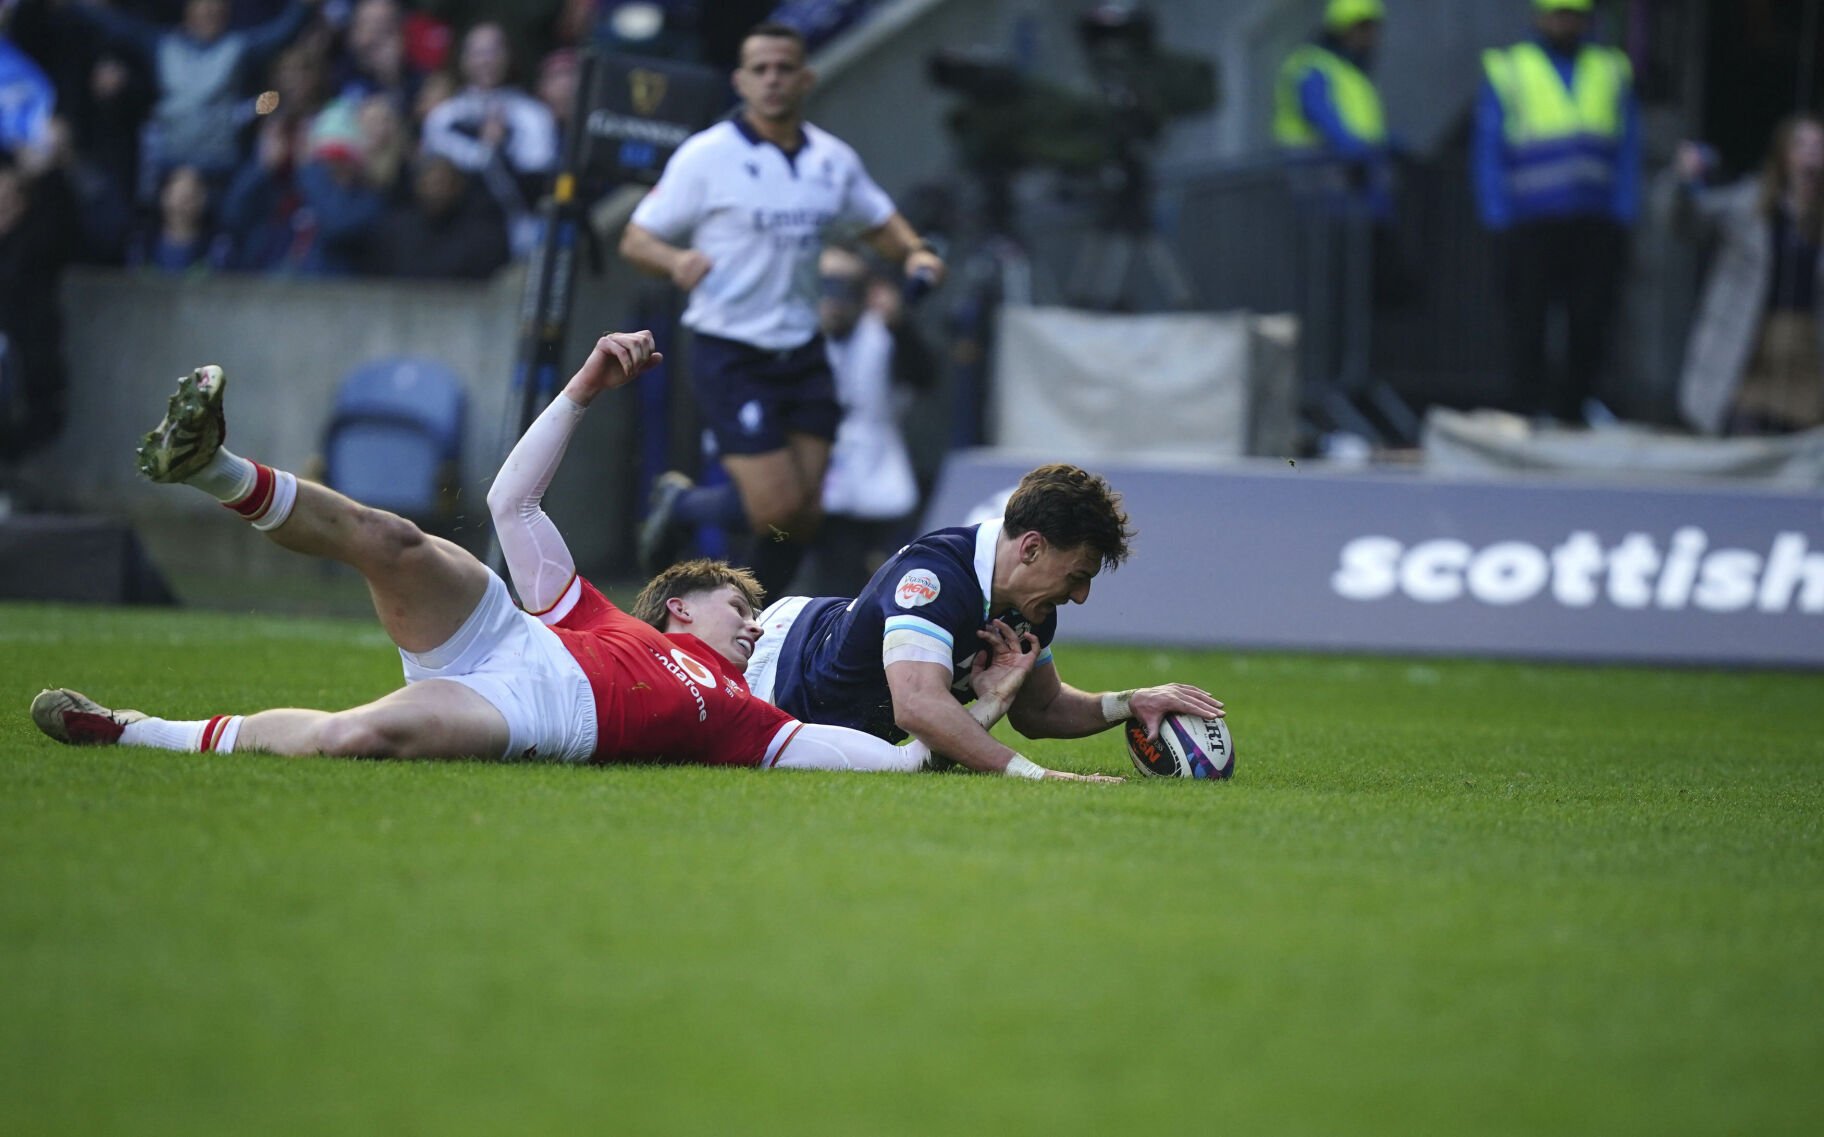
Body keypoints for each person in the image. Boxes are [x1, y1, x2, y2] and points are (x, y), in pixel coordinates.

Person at [31, 331, 1112, 780]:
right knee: (400, 541)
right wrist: (584, 391)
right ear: (676, 612)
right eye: (729, 604)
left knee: (370, 735)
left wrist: (1000, 697)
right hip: (511, 637)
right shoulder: (597, 612)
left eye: (750, 611)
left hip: (536, 718)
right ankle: (214, 468)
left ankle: (133, 731)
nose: (752, 617)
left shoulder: (759, 722)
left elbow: (908, 764)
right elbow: (511, 496)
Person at [621, 20, 946, 600]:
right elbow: (636, 239)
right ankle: (685, 503)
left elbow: (880, 223)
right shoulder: (706, 156)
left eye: (784, 68)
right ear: (740, 81)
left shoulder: (831, 159)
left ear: (806, 77)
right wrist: (674, 263)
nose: (773, 79)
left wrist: (917, 252)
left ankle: (758, 623)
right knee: (774, 504)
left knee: (804, 516)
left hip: (803, 349)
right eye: (761, 69)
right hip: (730, 350)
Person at [742, 462, 1226, 777]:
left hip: (821, 638)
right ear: (1032, 548)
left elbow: (1040, 709)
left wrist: (1131, 701)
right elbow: (916, 707)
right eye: (1077, 575)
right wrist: (1040, 777)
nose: (1081, 596)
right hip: (774, 675)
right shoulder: (933, 577)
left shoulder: (1032, 604)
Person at [1474, 0, 1639, 424]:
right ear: (1539, 16)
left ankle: (1574, 408)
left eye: (1574, 14)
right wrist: (1497, 217)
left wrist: (1623, 211)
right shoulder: (1510, 68)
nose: (1566, 22)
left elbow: (1628, 146)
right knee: (1526, 319)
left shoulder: (1611, 68)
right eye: (1559, 13)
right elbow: (1489, 148)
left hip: (1594, 221)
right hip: (1530, 222)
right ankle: (1527, 407)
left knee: (1590, 319)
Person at [1670, 117, 1824, 437]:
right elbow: (1688, 223)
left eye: (1819, 147)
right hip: (1749, 349)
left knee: (1805, 453)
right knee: (1744, 441)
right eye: (1802, 146)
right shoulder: (1747, 204)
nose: (1812, 156)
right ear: (1783, 156)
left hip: (1809, 354)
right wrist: (1683, 182)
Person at [60, 0, 322, 187]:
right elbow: (118, 27)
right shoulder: (161, 44)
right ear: (188, 11)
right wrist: (72, 6)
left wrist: (303, 7)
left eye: (216, 7)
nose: (209, 12)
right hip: (169, 167)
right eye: (202, 6)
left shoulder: (240, 48)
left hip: (220, 169)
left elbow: (279, 34)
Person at [798, 245, 934, 597]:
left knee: (882, 568)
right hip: (813, 465)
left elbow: (925, 376)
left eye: (845, 288)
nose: (836, 300)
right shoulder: (799, 331)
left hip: (879, 465)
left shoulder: (883, 333)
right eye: (826, 286)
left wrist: (900, 322)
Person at [419, 19, 555, 256]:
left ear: (508, 57)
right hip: (453, 240)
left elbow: (536, 188)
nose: (486, 60)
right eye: (477, 52)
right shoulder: (443, 118)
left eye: (493, 51)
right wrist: (485, 148)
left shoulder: (533, 116)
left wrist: (499, 149)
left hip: (517, 240)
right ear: (463, 59)